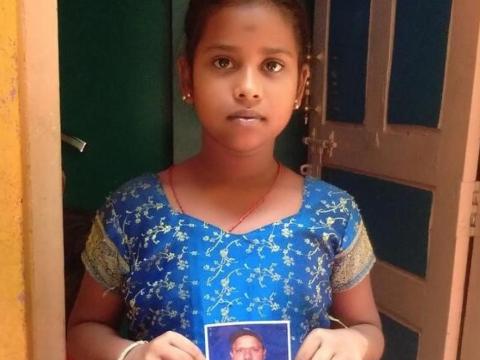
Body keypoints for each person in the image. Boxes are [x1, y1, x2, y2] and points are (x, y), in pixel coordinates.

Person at [66, 0, 385, 359]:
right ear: (187, 77)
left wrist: (356, 343)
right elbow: (79, 333)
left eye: (272, 65)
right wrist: (132, 356)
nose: (248, 88)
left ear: (301, 84)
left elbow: (368, 329)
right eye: (223, 62)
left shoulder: (333, 213)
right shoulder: (131, 212)